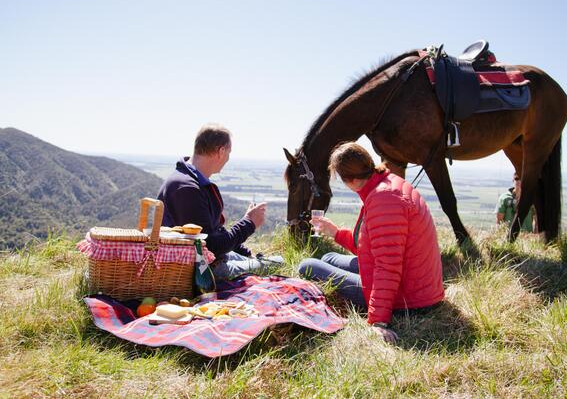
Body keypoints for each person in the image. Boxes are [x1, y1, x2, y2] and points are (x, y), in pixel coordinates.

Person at [298, 142, 444, 344]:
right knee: (327, 257)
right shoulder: (386, 182)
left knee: (308, 266)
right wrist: (336, 233)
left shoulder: (384, 199)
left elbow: (388, 265)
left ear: (350, 180)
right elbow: (375, 246)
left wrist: (378, 321)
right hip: (414, 280)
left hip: (409, 298)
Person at [157, 123, 283, 281]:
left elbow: (214, 232)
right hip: (201, 271)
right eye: (228, 152)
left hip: (212, 260)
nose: (228, 158)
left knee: (268, 261)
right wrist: (249, 223)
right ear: (220, 151)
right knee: (278, 263)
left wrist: (245, 252)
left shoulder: (190, 180)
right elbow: (211, 247)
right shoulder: (187, 188)